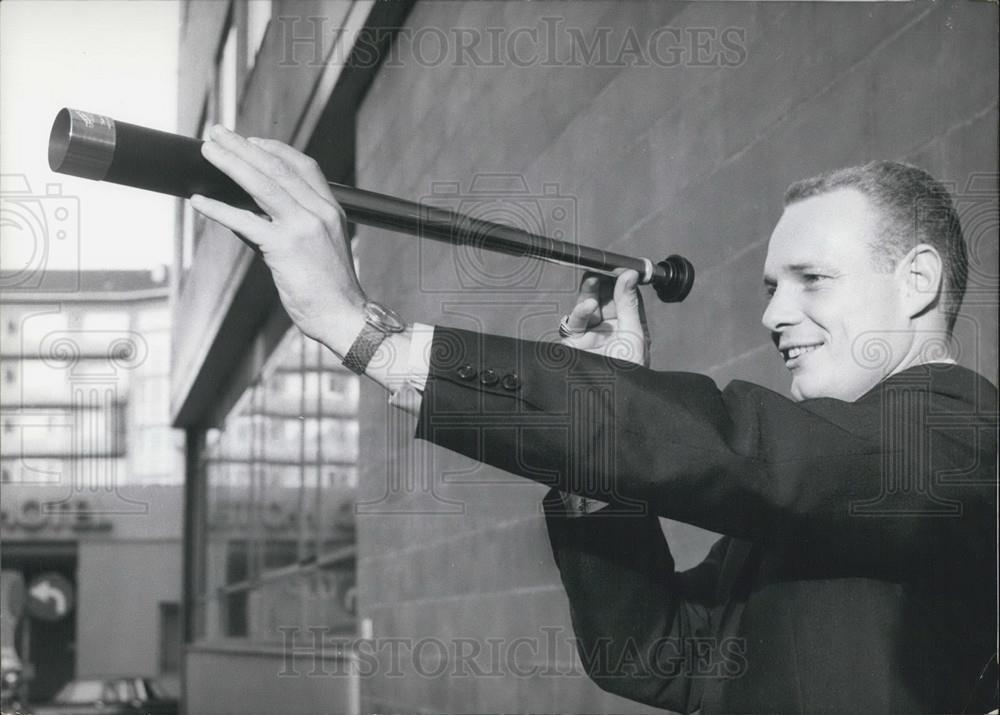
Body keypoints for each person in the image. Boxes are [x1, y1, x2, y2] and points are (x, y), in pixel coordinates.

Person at [190, 125, 998, 713]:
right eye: (768, 288)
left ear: (918, 278)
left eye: (810, 278)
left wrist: (371, 334)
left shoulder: (961, 444)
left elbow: (741, 449)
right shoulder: (828, 484)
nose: (775, 315)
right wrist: (597, 428)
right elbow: (656, 656)